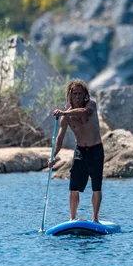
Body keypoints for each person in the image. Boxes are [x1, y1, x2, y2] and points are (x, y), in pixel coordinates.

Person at [48, 79, 104, 223]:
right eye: (75, 94)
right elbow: (59, 139)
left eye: (80, 93)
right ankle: (72, 218)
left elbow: (84, 112)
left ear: (85, 94)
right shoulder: (65, 117)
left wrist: (64, 113)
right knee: (73, 187)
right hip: (80, 152)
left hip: (96, 150)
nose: (78, 97)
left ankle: (95, 219)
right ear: (70, 95)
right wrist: (52, 157)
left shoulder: (91, 105)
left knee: (96, 187)